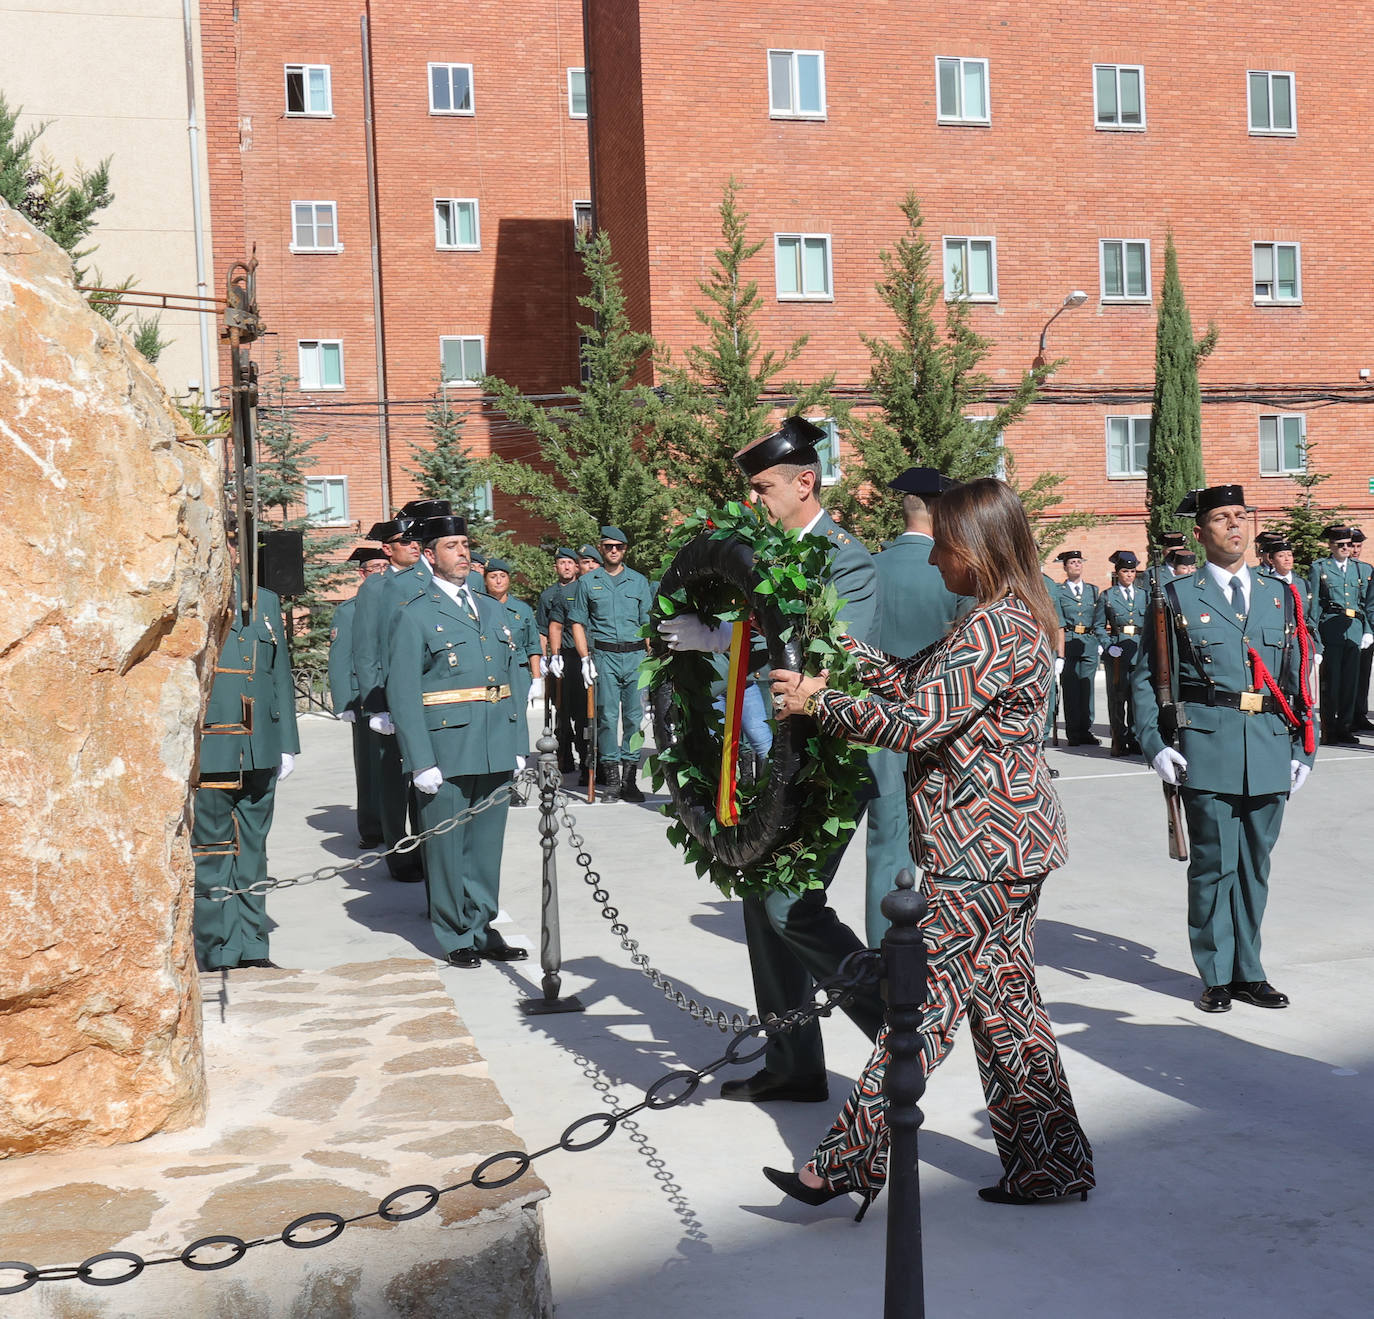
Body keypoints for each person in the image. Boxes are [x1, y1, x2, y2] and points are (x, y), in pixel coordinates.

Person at [762, 477, 1092, 1215]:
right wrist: (840, 651)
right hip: (1011, 849)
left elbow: (916, 721)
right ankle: (1050, 1162)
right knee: (1009, 1008)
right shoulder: (1006, 617)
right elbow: (918, 677)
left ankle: (843, 1163)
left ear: (975, 548)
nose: (935, 557)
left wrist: (820, 703)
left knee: (922, 1012)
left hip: (980, 854)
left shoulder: (995, 627)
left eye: (944, 543)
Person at [657, 415, 885, 1104]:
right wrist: (715, 634)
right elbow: (764, 632)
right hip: (773, 765)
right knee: (762, 905)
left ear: (805, 482)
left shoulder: (844, 557)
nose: (754, 500)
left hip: (826, 767)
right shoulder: (764, 553)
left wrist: (726, 638)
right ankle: (794, 1064)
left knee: (791, 907)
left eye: (764, 487)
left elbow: (833, 653)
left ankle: (901, 1030)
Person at [1133, 485, 1316, 1013]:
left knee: (1256, 865)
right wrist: (1154, 744)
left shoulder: (1282, 595)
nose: (1235, 525)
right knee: (1213, 864)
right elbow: (1147, 679)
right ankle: (1215, 974)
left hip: (1269, 744)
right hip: (1206, 745)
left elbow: (1299, 679)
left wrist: (1306, 747)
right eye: (1221, 518)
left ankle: (1250, 972)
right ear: (1200, 532)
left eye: (1241, 516)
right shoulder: (1175, 597)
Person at [386, 512, 528, 968]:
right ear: (429, 556)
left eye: (466, 544)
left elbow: (512, 679)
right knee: (447, 846)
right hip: (444, 748)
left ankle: (483, 925)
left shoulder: (491, 608)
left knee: (487, 846)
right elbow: (403, 691)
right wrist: (418, 759)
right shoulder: (416, 614)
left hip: (494, 742)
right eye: (451, 546)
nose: (463, 553)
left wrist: (518, 742)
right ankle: (454, 934)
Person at [864, 466, 964, 945]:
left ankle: (885, 947)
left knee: (887, 841)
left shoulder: (868, 567)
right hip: (944, 729)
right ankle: (940, 943)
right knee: (947, 842)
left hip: (880, 725)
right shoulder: (957, 573)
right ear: (941, 511)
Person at [192, 538, 301, 971]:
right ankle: (218, 947)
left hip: (260, 747)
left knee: (254, 851)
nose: (229, 555)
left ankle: (254, 946)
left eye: (233, 548)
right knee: (214, 852)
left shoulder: (265, 601)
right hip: (213, 746)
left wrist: (287, 742)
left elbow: (279, 672)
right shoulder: (193, 600)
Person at [567, 526, 654, 802]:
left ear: (625, 549)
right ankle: (612, 781)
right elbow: (578, 622)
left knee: (634, 719)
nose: (614, 550)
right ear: (601, 548)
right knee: (606, 718)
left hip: (636, 656)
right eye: (608, 546)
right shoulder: (587, 582)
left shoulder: (639, 582)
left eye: (619, 546)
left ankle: (629, 780)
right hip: (604, 657)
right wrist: (584, 660)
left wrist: (653, 662)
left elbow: (647, 624)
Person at [328, 546, 388, 847]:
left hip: (390, 694)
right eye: (373, 567)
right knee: (369, 768)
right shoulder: (349, 610)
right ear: (361, 573)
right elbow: (340, 657)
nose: (380, 572)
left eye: (383, 566)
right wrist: (343, 702)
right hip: (361, 697)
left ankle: (395, 827)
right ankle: (371, 828)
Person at [485, 557, 543, 803]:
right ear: (485, 580)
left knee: (516, 725)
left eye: (503, 576)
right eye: (493, 576)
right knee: (492, 725)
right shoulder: (480, 607)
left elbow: (533, 645)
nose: (498, 580)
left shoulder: (521, 610)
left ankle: (514, 783)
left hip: (517, 673)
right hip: (490, 674)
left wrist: (537, 678)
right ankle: (494, 783)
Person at [1309, 525, 1373, 744]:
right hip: (1331, 630)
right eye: (1341, 545)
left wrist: (1368, 631)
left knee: (1350, 683)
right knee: (1331, 683)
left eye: (1348, 544)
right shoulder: (1320, 568)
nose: (1346, 548)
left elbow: (1367, 604)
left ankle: (1345, 727)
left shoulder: (1362, 569)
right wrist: (1315, 639)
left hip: (1354, 630)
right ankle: (1329, 729)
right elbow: (1315, 605)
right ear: (1331, 546)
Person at [538, 548, 587, 774]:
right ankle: (564, 754)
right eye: (562, 563)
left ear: (576, 567)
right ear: (555, 567)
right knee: (561, 710)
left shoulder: (584, 590)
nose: (566, 567)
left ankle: (586, 756)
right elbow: (543, 631)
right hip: (561, 658)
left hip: (581, 659)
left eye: (570, 563)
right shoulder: (548, 595)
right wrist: (544, 660)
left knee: (583, 712)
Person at [1095, 549, 1147, 756]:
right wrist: (1108, 645)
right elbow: (1098, 626)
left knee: (1136, 697)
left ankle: (1134, 739)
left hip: (1138, 651)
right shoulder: (1107, 596)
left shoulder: (1144, 595)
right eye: (1125, 571)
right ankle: (1118, 738)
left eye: (1133, 571)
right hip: (1117, 652)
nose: (1129, 575)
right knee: (1117, 698)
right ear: (1118, 573)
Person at [1052, 549, 1101, 746]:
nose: (1076, 565)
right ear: (1065, 567)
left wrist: (1099, 641)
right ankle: (1073, 732)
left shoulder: (1093, 590)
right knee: (1071, 689)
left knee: (1087, 688)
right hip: (1069, 642)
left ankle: (1086, 729)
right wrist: (1059, 654)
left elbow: (1098, 617)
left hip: (1088, 643)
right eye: (1072, 562)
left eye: (1079, 562)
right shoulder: (1058, 591)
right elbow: (1058, 621)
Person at [1350, 528, 1374, 731]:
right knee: (1345, 676)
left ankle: (1359, 713)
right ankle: (1343, 715)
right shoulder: (1332, 568)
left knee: (1363, 673)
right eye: (1352, 546)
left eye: (1359, 546)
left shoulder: (1367, 570)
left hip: (1365, 629)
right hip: (1346, 628)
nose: (1355, 550)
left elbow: (1369, 604)